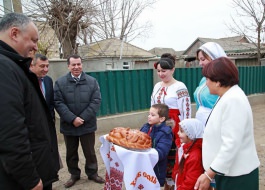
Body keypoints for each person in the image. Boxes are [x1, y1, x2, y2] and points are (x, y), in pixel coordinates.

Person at [0, 13, 60, 190]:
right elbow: (10, 133)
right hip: (22, 180)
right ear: (14, 33)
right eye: (33, 40)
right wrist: (30, 179)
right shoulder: (4, 68)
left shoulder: (13, 65)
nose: (35, 46)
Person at [194, 57, 260, 190]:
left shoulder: (233, 100)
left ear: (218, 82)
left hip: (237, 177)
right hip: (227, 172)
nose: (205, 84)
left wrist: (208, 174)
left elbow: (231, 143)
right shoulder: (227, 96)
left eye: (207, 79)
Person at [54, 54, 105, 188]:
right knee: (71, 153)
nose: (76, 67)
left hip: (87, 124)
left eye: (79, 64)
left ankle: (92, 173)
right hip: (69, 125)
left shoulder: (92, 81)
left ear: (82, 65)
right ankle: (74, 175)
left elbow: (96, 101)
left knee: (90, 151)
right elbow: (58, 102)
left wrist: (82, 118)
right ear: (68, 66)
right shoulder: (60, 83)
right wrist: (72, 119)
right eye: (73, 64)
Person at [151, 53, 191, 190]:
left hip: (173, 128)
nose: (161, 74)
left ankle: (170, 186)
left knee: (171, 158)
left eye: (164, 71)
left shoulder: (180, 87)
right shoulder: (157, 86)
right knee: (158, 154)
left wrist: (184, 131)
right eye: (159, 71)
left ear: (173, 69)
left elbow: (186, 111)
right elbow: (152, 106)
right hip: (157, 126)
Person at [194, 42, 227, 126]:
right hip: (201, 124)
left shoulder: (223, 81)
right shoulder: (204, 79)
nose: (200, 63)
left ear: (214, 58)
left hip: (215, 124)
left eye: (203, 59)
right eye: (199, 60)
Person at [140, 103, 173, 187]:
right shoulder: (146, 127)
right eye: (149, 114)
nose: (149, 116)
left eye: (152, 115)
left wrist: (146, 153)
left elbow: (161, 152)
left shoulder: (165, 133)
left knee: (152, 186)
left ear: (161, 119)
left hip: (156, 168)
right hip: (143, 165)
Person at [174, 118, 204, 190]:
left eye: (181, 131)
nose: (178, 133)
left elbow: (191, 181)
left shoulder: (195, 155)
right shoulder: (186, 148)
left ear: (191, 134)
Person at [30, 53, 55, 120]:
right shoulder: (25, 81)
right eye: (42, 66)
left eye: (47, 66)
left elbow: (51, 104)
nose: (46, 69)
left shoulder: (48, 80)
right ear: (32, 66)